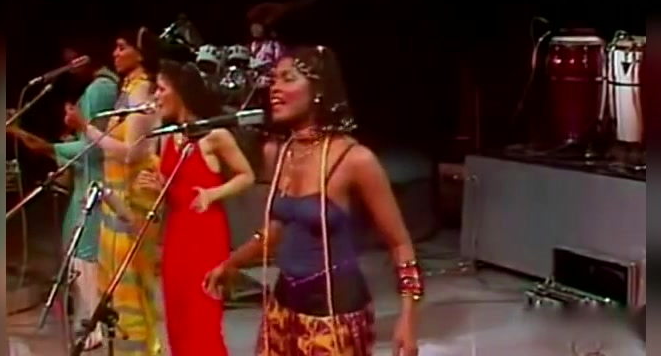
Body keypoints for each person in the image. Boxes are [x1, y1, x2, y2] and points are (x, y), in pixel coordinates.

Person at [203, 46, 421, 356]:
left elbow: (400, 244)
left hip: (333, 317)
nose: (274, 88)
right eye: (273, 79)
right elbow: (274, 231)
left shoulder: (355, 159)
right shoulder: (281, 152)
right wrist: (231, 263)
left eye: (288, 79)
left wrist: (408, 319)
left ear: (318, 90)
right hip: (281, 310)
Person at [135, 60, 255, 356]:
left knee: (202, 320)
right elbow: (176, 187)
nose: (156, 96)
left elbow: (247, 175)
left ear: (179, 92)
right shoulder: (168, 136)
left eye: (161, 89)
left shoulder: (215, 136)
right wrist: (160, 187)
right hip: (176, 234)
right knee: (177, 317)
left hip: (205, 235)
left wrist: (213, 193)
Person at [8, 42, 118, 350]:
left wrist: (47, 143)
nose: (69, 68)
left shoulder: (100, 90)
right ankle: (87, 325)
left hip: (92, 182)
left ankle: (92, 327)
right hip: (84, 180)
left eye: (73, 61)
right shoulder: (99, 88)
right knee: (78, 256)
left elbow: (93, 146)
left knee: (85, 257)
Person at [64, 27, 161, 355]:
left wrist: (85, 128)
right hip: (114, 199)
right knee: (116, 291)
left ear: (140, 52)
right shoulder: (128, 88)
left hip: (132, 200)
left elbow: (131, 152)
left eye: (122, 47)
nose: (115, 54)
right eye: (115, 47)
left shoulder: (142, 89)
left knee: (131, 287)